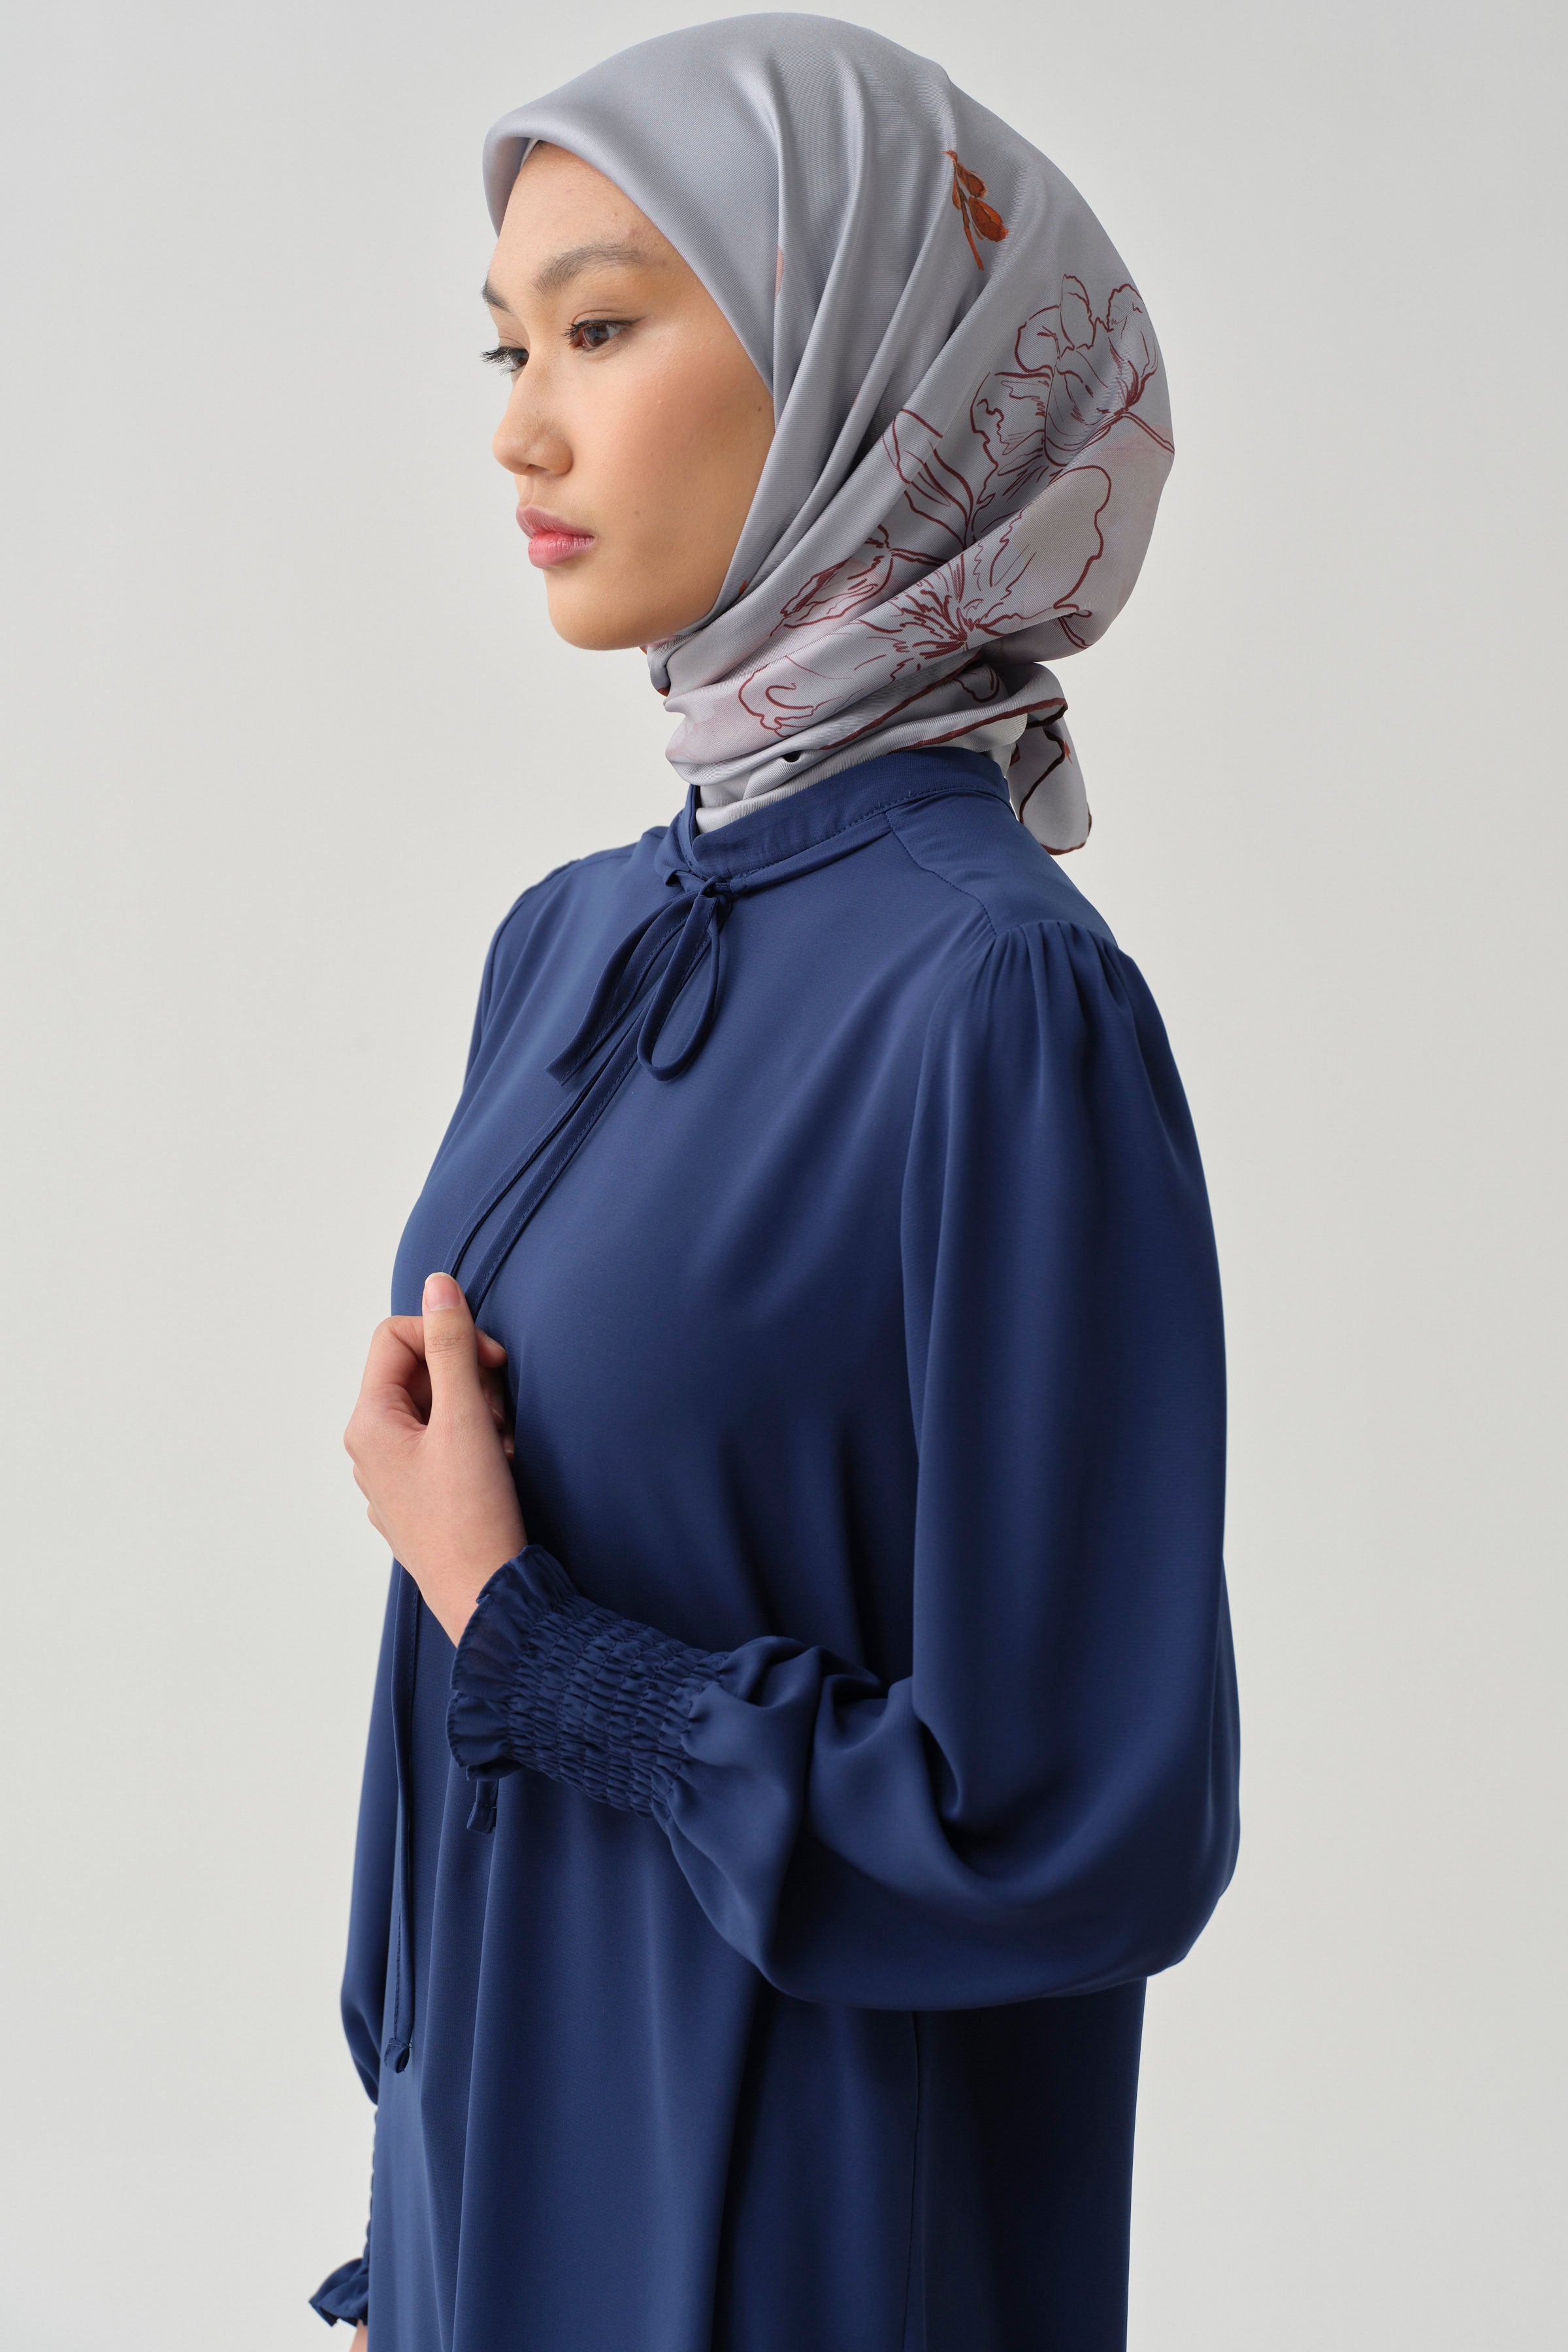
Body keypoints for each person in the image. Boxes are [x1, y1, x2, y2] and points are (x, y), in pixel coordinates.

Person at [310, 17, 1240, 2349]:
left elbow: (1076, 1826)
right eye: (509, 346)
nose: (522, 428)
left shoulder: (1000, 1001)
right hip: (502, 2210)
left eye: (605, 329)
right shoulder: (566, 948)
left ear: (868, 382)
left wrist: (530, 1640)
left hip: (807, 2252)